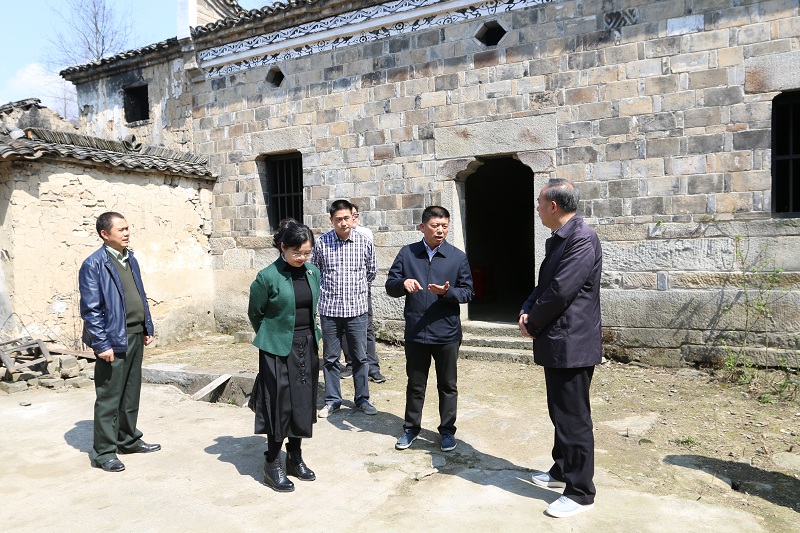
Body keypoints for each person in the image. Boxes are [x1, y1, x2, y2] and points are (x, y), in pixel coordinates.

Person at [517, 179, 602, 518]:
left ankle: (581, 492)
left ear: (553, 206)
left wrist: (534, 322)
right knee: (559, 412)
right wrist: (526, 310)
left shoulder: (581, 238)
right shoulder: (559, 238)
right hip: (558, 341)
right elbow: (544, 286)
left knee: (573, 418)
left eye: (539, 203)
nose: (537, 209)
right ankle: (562, 469)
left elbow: (561, 291)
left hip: (572, 343)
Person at [385, 206, 474, 452]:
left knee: (448, 385)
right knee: (415, 384)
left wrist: (448, 292)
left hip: (446, 333)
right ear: (422, 227)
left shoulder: (457, 257)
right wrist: (403, 283)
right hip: (416, 331)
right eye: (435, 226)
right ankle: (411, 429)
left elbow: (468, 292)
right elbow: (390, 285)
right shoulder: (408, 253)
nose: (440, 230)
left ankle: (447, 431)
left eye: (444, 226)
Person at [79, 211, 158, 473]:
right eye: (121, 229)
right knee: (109, 396)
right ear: (105, 234)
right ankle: (104, 452)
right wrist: (101, 344)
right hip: (112, 339)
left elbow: (139, 295)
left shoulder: (129, 258)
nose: (127, 233)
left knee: (131, 392)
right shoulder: (94, 264)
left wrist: (146, 325)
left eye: (127, 228)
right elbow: (91, 310)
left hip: (134, 334)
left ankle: (128, 439)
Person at [248, 219, 320, 492]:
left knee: (302, 403)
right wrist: (272, 336)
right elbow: (255, 313)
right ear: (283, 248)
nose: (302, 258)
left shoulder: (313, 272)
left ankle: (295, 457)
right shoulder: (267, 276)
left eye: (307, 252)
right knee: (278, 405)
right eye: (296, 252)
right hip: (277, 349)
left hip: (306, 345)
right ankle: (272, 462)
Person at [312, 199, 378, 417]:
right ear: (331, 220)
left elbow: (371, 272)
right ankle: (332, 400)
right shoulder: (322, 243)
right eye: (338, 219)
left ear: (353, 217)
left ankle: (362, 399)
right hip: (330, 310)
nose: (343, 223)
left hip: (357, 310)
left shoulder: (364, 242)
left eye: (346, 218)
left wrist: (355, 292)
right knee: (331, 358)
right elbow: (316, 272)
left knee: (360, 357)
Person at [340, 203, 385, 383]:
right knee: (344, 328)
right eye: (351, 215)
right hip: (340, 291)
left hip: (361, 290)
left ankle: (372, 366)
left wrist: (362, 285)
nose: (354, 218)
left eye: (355, 214)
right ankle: (351, 364)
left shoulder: (365, 233)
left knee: (366, 327)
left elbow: (371, 268)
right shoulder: (333, 237)